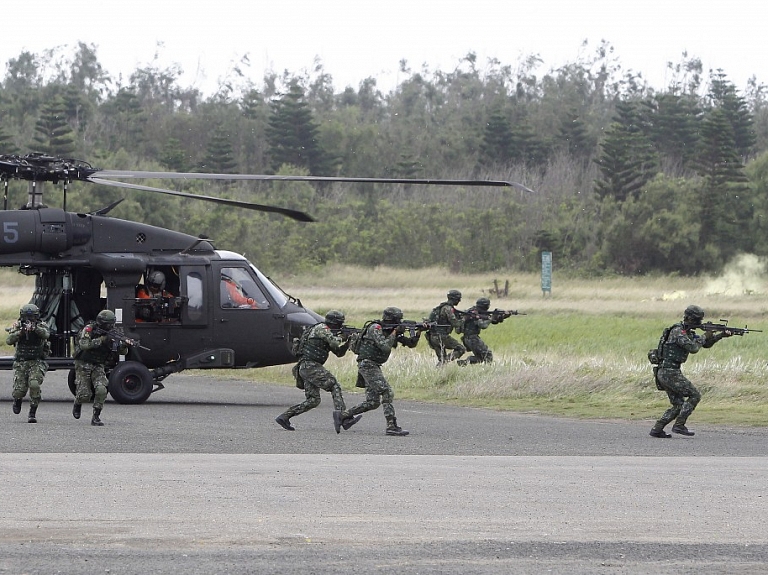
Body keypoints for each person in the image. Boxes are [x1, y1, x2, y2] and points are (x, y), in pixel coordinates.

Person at [334, 306, 419, 436]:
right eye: (397, 320)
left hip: (372, 365)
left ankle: (343, 416)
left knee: (372, 402)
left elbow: (410, 343)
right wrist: (395, 333)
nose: (399, 323)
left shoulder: (389, 330)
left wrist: (417, 332)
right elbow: (384, 346)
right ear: (391, 319)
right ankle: (391, 426)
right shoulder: (376, 328)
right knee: (387, 392)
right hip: (368, 365)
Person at [650, 305, 732, 438]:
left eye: (699, 320)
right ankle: (679, 425)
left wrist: (720, 335)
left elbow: (705, 344)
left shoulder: (688, 332)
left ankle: (657, 429)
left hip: (668, 371)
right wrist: (706, 335)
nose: (698, 323)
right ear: (688, 318)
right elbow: (694, 348)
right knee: (694, 396)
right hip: (668, 371)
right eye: (696, 320)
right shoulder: (678, 331)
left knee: (678, 405)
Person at [275, 310, 362, 432]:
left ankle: (285, 417)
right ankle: (343, 417)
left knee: (313, 400)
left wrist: (348, 342)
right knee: (334, 385)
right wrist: (343, 336)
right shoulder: (322, 329)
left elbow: (338, 352)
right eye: (340, 324)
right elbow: (335, 342)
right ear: (334, 323)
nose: (341, 326)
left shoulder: (322, 331)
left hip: (307, 367)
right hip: (310, 366)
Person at [72, 309, 128, 426]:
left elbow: (122, 352)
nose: (110, 326)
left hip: (98, 364)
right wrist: (102, 340)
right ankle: (78, 402)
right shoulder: (89, 329)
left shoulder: (113, 333)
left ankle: (96, 416)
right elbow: (84, 345)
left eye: (111, 324)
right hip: (84, 362)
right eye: (108, 324)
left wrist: (123, 344)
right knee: (84, 395)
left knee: (102, 389)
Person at [6, 304, 50, 423]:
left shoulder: (41, 325)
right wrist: (20, 333)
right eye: (27, 317)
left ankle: (32, 412)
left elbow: (46, 334)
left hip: (36, 361)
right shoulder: (18, 326)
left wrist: (35, 329)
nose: (29, 320)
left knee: (34, 385)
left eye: (32, 317)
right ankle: (17, 399)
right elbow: (9, 341)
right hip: (21, 362)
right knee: (19, 391)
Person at [425, 289, 466, 365]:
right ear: (454, 299)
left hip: (432, 337)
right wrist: (464, 319)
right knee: (461, 349)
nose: (459, 301)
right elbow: (455, 323)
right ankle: (444, 362)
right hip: (441, 336)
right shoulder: (448, 308)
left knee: (442, 359)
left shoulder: (441, 307)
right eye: (458, 299)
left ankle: (439, 369)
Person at [458, 297, 501, 365]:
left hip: (467, 339)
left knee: (480, 357)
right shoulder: (474, 314)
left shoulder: (472, 311)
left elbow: (491, 320)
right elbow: (483, 325)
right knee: (488, 355)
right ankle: (488, 371)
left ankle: (465, 362)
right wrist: (491, 318)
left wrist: (499, 318)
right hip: (473, 339)